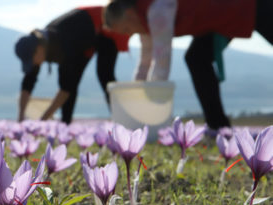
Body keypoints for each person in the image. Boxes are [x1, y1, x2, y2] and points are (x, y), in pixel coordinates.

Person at [104, 0, 273, 130]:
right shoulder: (143, 22)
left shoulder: (157, 10)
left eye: (126, 29)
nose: (131, 33)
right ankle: (218, 127)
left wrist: (151, 103)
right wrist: (137, 93)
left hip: (243, 4)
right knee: (196, 58)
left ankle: (218, 126)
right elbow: (145, 62)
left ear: (129, 13)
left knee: (196, 58)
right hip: (222, 16)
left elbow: (161, 61)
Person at [15, 6, 130, 123]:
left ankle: (122, 120)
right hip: (84, 37)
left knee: (104, 75)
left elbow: (65, 89)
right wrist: (20, 118)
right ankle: (66, 123)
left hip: (106, 26)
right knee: (71, 82)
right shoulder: (41, 43)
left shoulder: (63, 44)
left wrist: (41, 122)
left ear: (39, 49)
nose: (33, 64)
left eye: (31, 60)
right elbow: (28, 82)